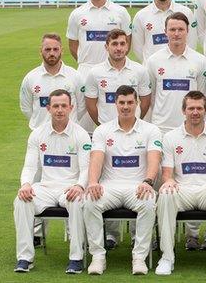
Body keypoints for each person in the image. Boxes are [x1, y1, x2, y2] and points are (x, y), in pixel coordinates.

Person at [83, 85, 162, 275]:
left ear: (137, 103)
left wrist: (148, 181)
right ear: (115, 104)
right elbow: (96, 158)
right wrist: (93, 182)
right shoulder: (103, 130)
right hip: (109, 186)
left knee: (149, 203)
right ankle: (98, 257)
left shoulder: (151, 130)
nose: (126, 107)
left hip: (138, 186)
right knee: (90, 201)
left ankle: (139, 258)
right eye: (122, 103)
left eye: (129, 102)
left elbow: (154, 159)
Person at [155, 91, 206, 276]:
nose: (195, 112)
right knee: (166, 194)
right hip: (181, 189)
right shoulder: (170, 137)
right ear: (184, 110)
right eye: (191, 108)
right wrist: (169, 182)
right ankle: (167, 257)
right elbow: (167, 174)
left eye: (199, 108)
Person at [13, 89, 90, 274]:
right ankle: (25, 257)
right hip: (46, 187)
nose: (60, 110)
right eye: (55, 106)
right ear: (48, 108)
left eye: (64, 106)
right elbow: (30, 166)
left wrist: (79, 186)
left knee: (77, 200)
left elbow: (86, 168)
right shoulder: (37, 134)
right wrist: (25, 184)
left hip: (70, 186)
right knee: (21, 200)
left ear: (71, 108)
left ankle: (76, 258)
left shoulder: (81, 134)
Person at [66, 0, 131, 133]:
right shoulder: (77, 14)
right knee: (83, 124)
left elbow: (127, 43)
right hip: (85, 70)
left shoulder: (120, 12)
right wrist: (86, 62)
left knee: (115, 120)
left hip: (115, 71)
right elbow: (73, 45)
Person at [146, 12, 206, 134]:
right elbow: (151, 97)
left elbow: (201, 94)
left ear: (187, 31)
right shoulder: (153, 60)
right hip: (161, 127)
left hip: (189, 127)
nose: (176, 33)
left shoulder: (200, 60)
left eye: (180, 29)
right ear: (165, 31)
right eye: (172, 29)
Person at [85, 29, 151, 126]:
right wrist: (102, 126)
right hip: (106, 130)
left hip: (134, 129)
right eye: (114, 44)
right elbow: (90, 105)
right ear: (106, 47)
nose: (119, 48)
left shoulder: (140, 70)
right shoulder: (95, 72)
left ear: (127, 46)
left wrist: (134, 121)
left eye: (122, 44)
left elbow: (145, 101)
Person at [20, 33, 85, 131]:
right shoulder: (31, 77)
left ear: (61, 51)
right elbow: (26, 108)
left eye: (55, 49)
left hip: (69, 133)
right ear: (40, 51)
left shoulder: (75, 76)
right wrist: (39, 124)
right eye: (47, 49)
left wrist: (70, 121)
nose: (51, 53)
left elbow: (82, 106)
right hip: (40, 134)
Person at [131, 0, 197, 63]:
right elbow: (138, 48)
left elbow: (191, 43)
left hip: (179, 68)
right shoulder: (141, 16)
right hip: (152, 73)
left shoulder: (186, 13)